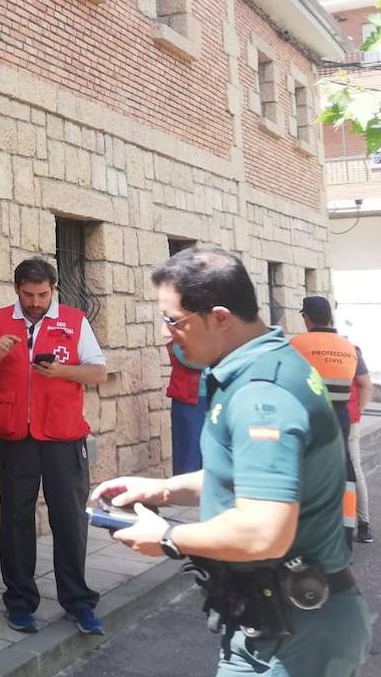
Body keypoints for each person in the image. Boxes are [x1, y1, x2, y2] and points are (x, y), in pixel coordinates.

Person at [96, 247, 370, 676]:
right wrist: (163, 490)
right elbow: (259, 478)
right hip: (274, 624)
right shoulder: (261, 365)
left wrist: (168, 536)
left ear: (220, 317)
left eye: (174, 320)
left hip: (293, 637)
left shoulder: (263, 393)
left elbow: (264, 532)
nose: (167, 334)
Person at [0, 258, 107, 636]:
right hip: (15, 436)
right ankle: (19, 601)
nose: (35, 302)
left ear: (53, 290)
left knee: (69, 520)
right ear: (17, 289)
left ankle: (78, 601)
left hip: (64, 437)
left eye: (41, 294)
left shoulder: (74, 319)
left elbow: (98, 371)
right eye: (27, 295)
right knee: (16, 520)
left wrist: (62, 371)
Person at [289, 296, 359, 544]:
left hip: (309, 414)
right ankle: (345, 535)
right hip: (340, 415)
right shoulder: (348, 347)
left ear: (306, 318)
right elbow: (355, 381)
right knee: (344, 471)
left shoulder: (296, 344)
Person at [346, 345, 374, 543]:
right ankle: (363, 525)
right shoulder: (350, 349)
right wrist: (358, 413)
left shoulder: (303, 346)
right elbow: (366, 385)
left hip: (325, 421)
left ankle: (362, 523)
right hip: (347, 419)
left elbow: (366, 385)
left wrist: (357, 412)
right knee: (354, 470)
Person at [167, 341, 208, 474]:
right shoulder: (180, 322)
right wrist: (221, 360)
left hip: (218, 397)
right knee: (188, 463)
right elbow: (186, 355)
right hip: (189, 399)